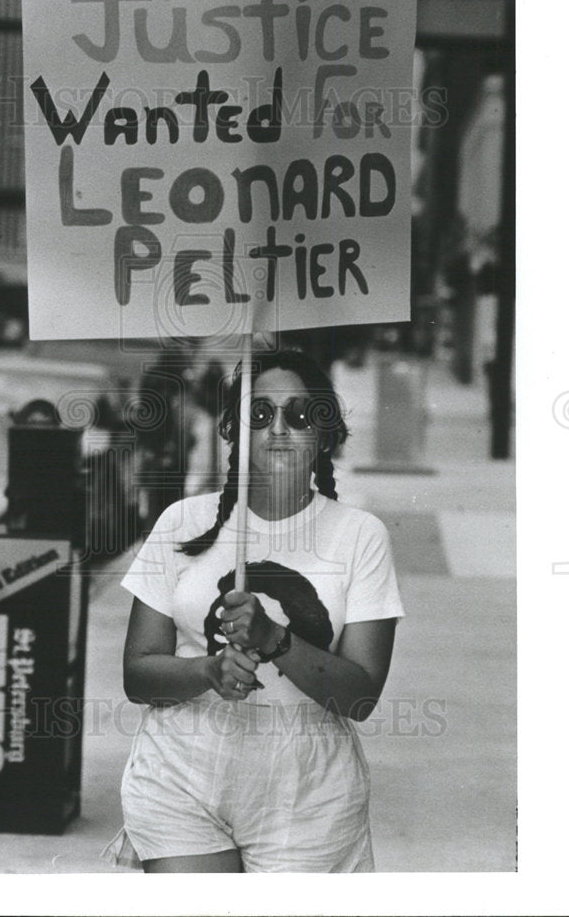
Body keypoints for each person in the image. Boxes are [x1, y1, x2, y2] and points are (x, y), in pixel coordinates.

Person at [103, 348, 404, 873]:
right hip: (181, 774)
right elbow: (138, 674)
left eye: (299, 414)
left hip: (308, 792)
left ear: (325, 435)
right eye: (260, 415)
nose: (278, 429)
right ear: (235, 432)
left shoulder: (360, 536)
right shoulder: (182, 521)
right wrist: (206, 670)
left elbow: (360, 698)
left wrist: (275, 640)